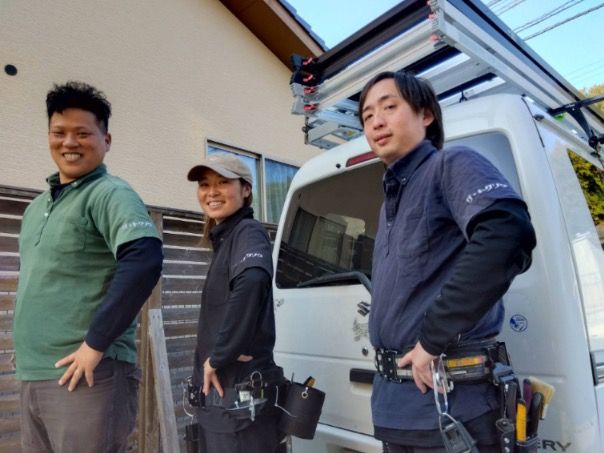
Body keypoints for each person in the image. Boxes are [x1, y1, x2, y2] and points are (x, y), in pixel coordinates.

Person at [358, 71, 537, 452]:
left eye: (389, 107)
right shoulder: (389, 203)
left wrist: (432, 336)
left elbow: (507, 232)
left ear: (426, 115)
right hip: (395, 410)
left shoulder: (450, 164)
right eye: (367, 115)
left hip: (452, 408)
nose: (376, 121)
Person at [13, 81, 163, 453]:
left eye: (82, 133)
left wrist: (94, 344)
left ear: (106, 140)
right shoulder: (36, 208)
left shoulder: (110, 193)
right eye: (59, 133)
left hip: (89, 374)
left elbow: (144, 259)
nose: (69, 143)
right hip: (34, 373)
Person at [187, 153, 285, 453]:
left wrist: (220, 355)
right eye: (205, 184)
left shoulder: (247, 231)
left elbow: (253, 280)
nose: (212, 192)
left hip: (239, 408)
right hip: (225, 407)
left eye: (223, 182)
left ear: (246, 189)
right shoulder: (226, 238)